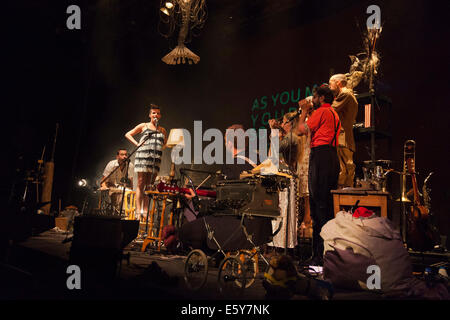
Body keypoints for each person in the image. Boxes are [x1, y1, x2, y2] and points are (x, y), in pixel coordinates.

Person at [296, 85, 341, 265]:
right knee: (325, 207)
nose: (312, 99)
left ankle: (318, 256)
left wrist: (304, 111)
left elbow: (301, 129)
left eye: (314, 96)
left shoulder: (321, 112)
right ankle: (322, 255)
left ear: (322, 98)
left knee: (318, 206)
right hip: (330, 156)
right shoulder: (333, 113)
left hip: (321, 157)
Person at [125, 104, 167, 218]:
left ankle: (145, 211)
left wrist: (158, 149)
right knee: (140, 183)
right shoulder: (144, 125)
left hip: (155, 159)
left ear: (160, 115)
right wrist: (137, 144)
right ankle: (138, 211)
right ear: (150, 115)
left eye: (158, 113)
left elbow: (165, 143)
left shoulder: (162, 130)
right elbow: (128, 134)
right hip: (143, 156)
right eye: (154, 113)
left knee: (149, 185)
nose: (156, 115)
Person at [329, 74, 358, 188]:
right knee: (346, 169)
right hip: (345, 138)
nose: (330, 87)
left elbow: (330, 110)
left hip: (342, 138)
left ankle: (342, 199)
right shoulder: (348, 95)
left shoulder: (345, 94)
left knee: (343, 170)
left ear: (339, 83)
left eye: (331, 83)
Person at [100, 149, 134, 214]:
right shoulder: (111, 164)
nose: (124, 156)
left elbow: (131, 181)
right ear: (117, 156)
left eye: (126, 155)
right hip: (110, 185)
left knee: (127, 194)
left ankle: (123, 213)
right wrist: (104, 187)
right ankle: (116, 211)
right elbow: (103, 180)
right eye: (122, 154)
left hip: (121, 187)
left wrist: (131, 190)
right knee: (115, 192)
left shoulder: (130, 165)